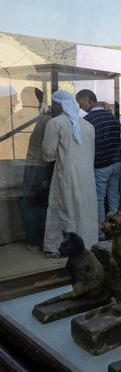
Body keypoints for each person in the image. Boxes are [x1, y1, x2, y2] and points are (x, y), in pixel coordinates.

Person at [42, 90, 98, 258]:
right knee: (84, 210)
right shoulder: (88, 126)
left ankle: (58, 247)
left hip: (65, 174)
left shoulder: (55, 123)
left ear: (58, 105)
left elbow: (48, 153)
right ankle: (86, 244)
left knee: (62, 209)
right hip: (87, 176)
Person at [75, 89, 121, 239]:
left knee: (99, 199)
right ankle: (116, 229)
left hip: (100, 165)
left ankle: (102, 231)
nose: (80, 106)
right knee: (114, 197)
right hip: (116, 163)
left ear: (89, 100)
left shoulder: (88, 120)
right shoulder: (113, 118)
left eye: (80, 102)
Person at [17, 87, 52, 251]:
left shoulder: (19, 117)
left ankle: (34, 241)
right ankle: (43, 239)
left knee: (29, 203)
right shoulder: (46, 120)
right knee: (42, 204)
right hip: (43, 166)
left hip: (32, 166)